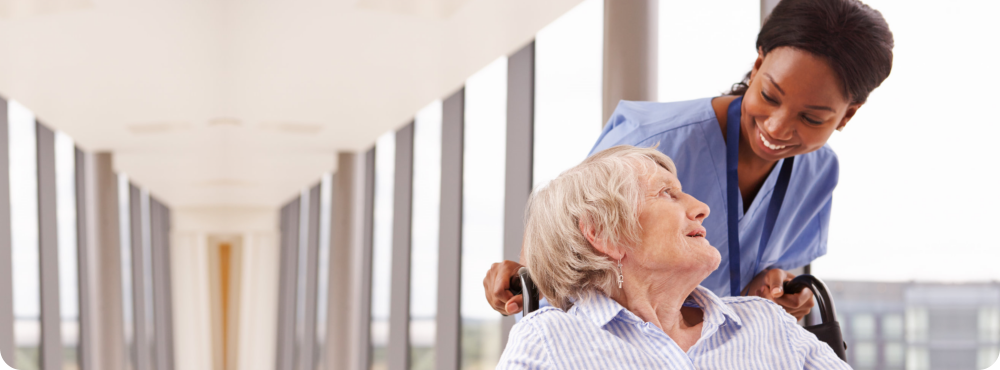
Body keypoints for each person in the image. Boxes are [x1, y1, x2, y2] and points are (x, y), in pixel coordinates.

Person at [485, 0, 893, 320]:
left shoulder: (819, 172)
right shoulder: (653, 142)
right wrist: (523, 276)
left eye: (811, 118)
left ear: (847, 115)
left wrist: (780, 285)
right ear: (757, 63)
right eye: (769, 96)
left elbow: (782, 267)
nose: (778, 127)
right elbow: (559, 258)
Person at [497, 145, 849, 369]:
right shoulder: (549, 341)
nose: (702, 208)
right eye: (667, 194)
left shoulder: (766, 323)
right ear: (604, 234)